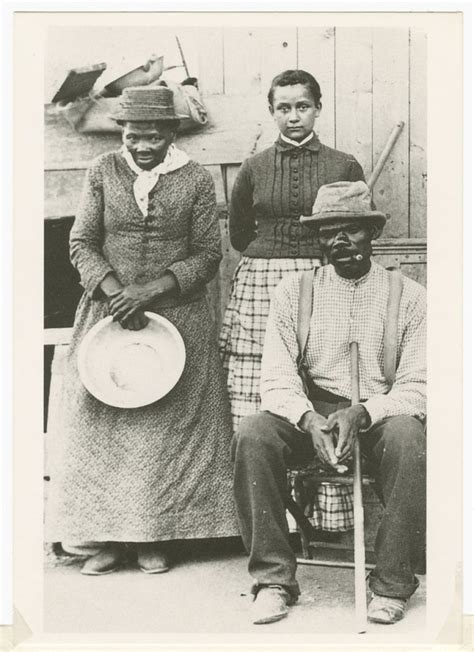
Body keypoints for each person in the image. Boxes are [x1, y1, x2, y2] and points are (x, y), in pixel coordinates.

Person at [46, 86, 238, 575]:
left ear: (171, 132)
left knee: (163, 429)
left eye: (152, 136)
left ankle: (156, 537)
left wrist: (148, 292)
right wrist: (115, 292)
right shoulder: (103, 171)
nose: (142, 146)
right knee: (105, 423)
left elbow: (207, 255)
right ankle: (108, 539)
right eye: (133, 136)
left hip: (176, 315)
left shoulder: (193, 178)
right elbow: (82, 242)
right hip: (109, 315)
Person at [232, 181, 426, 625]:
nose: (339, 241)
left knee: (408, 435)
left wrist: (364, 412)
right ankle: (274, 580)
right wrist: (306, 418)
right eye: (328, 232)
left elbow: (419, 385)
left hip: (377, 415)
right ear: (317, 239)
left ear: (371, 233)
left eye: (351, 230)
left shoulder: (410, 297)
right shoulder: (292, 292)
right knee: (253, 432)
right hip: (315, 415)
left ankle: (392, 584)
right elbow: (277, 379)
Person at [220, 69, 367, 533]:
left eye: (302, 106)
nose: (293, 116)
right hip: (263, 281)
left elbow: (355, 228)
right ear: (272, 112)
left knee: (324, 383)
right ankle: (269, 517)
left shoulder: (343, 165)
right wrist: (274, 259)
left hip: (326, 279)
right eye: (283, 108)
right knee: (259, 392)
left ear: (318, 109)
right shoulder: (254, 167)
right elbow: (241, 232)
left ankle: (328, 515)